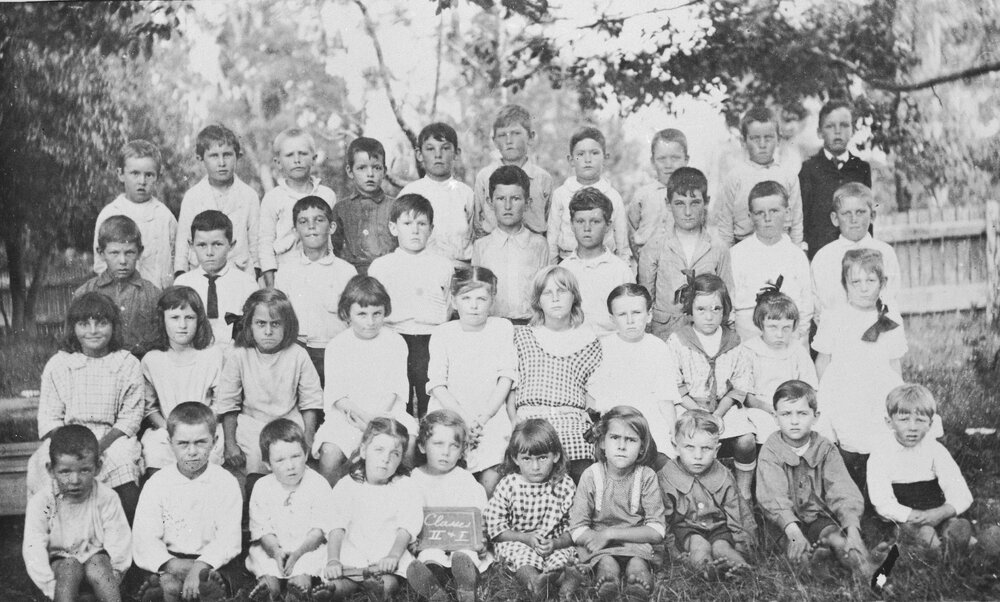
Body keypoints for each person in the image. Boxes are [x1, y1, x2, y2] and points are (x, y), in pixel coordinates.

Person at [26, 293, 143, 522]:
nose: (93, 331)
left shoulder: (127, 363)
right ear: (73, 328)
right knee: (40, 462)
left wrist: (99, 446)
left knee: (122, 463)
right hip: (67, 437)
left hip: (111, 438)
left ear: (113, 326)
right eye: (84, 324)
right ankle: (52, 531)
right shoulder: (60, 364)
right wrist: (72, 446)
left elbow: (130, 417)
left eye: (101, 323)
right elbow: (50, 416)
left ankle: (122, 534)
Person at [666, 274, 775, 499]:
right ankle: (694, 494)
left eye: (716, 309)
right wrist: (699, 412)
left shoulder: (733, 341)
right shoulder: (678, 341)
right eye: (701, 309)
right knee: (689, 440)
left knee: (746, 440)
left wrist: (717, 414)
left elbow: (739, 384)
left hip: (723, 408)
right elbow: (675, 385)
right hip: (689, 406)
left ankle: (744, 492)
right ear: (690, 308)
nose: (709, 316)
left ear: (725, 310)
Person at [814, 248, 913, 492]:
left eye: (871, 280)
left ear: (882, 283)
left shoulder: (890, 317)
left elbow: (894, 363)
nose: (864, 288)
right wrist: (822, 398)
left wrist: (898, 397)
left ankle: (876, 492)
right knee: (846, 443)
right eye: (855, 282)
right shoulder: (834, 316)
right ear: (844, 284)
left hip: (878, 389)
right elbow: (823, 360)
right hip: (843, 389)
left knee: (880, 441)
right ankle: (848, 490)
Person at [756, 380, 873, 577]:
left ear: (815, 417)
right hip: (784, 524)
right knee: (798, 552)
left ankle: (861, 566)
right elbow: (773, 497)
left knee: (837, 538)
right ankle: (817, 565)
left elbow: (843, 490)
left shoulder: (825, 448)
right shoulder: (770, 451)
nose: (794, 421)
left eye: (802, 413)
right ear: (775, 417)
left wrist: (853, 531)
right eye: (786, 414)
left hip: (818, 518)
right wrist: (794, 533)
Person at [216, 289, 323, 491]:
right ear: (249, 325)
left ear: (287, 325)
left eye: (275, 324)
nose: (268, 332)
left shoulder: (298, 354)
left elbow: (311, 400)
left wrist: (308, 437)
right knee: (257, 461)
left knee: (289, 459)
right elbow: (228, 403)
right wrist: (230, 443)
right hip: (252, 423)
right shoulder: (239, 355)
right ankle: (257, 502)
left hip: (288, 421)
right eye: (260, 323)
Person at [133, 402, 241, 602]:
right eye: (183, 443)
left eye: (201, 442)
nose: (192, 451)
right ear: (169, 442)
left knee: (209, 582)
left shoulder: (225, 482)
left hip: (212, 563)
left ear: (215, 441)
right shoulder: (158, 483)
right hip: (170, 560)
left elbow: (229, 538)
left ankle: (209, 590)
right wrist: (171, 564)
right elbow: (145, 537)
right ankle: (166, 590)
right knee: (168, 584)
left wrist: (201, 565)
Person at [314, 275, 415, 487]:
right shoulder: (337, 346)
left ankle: (398, 495)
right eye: (362, 314)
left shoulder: (395, 342)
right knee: (330, 452)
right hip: (349, 418)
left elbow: (395, 389)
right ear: (347, 313)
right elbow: (338, 396)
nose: (370, 322)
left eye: (377, 313)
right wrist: (366, 420)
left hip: (387, 414)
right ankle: (329, 502)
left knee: (409, 442)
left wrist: (375, 421)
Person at [314, 418, 423, 602]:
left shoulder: (405, 486)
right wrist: (333, 559)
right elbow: (336, 525)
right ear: (364, 450)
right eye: (379, 450)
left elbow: (406, 527)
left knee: (389, 582)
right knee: (342, 579)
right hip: (353, 548)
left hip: (387, 553)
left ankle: (378, 589)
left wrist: (393, 555)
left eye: (395, 453)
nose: (386, 459)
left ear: (401, 458)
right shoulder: (348, 484)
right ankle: (334, 591)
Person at [427, 267, 515, 495]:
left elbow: (506, 377)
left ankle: (486, 514)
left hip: (490, 413)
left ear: (492, 300)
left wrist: (484, 417)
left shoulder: (502, 328)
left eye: (481, 299)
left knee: (491, 478)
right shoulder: (443, 333)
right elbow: (437, 384)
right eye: (466, 298)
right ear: (454, 301)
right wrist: (464, 419)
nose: (474, 306)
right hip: (451, 411)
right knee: (449, 472)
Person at [513, 266, 602, 483]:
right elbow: (511, 387)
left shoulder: (590, 341)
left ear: (574, 297)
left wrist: (593, 423)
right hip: (530, 420)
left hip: (572, 421)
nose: (555, 298)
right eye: (547, 293)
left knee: (585, 469)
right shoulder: (522, 336)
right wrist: (513, 422)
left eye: (562, 291)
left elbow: (593, 392)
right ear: (538, 301)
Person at [23, 425, 131, 602]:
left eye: (84, 470)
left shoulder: (107, 497)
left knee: (99, 565)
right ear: (51, 470)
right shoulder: (42, 501)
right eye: (65, 472)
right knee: (70, 567)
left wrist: (115, 574)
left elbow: (119, 542)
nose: (75, 480)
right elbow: (33, 547)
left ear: (98, 467)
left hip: (99, 565)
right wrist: (49, 585)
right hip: (58, 570)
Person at [568, 406, 666, 601]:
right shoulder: (591, 475)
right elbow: (577, 528)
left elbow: (656, 531)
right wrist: (598, 538)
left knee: (637, 563)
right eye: (614, 438)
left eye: (631, 440)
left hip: (636, 542)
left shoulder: (646, 476)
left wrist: (611, 534)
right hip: (599, 544)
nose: (622, 446)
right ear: (602, 442)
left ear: (642, 447)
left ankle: (637, 583)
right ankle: (608, 581)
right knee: (607, 563)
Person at [369, 194, 453, 419]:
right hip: (395, 337)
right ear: (393, 228)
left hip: (431, 340)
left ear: (431, 229)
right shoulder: (381, 266)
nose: (415, 230)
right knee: (397, 399)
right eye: (407, 223)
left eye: (421, 224)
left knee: (431, 398)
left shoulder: (443, 266)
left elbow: (447, 305)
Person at [867, 384, 973, 551]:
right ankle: (939, 548)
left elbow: (960, 491)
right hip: (904, 518)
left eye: (920, 420)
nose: (912, 427)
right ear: (889, 422)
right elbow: (882, 502)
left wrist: (942, 512)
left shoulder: (935, 450)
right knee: (924, 534)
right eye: (904, 420)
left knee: (954, 526)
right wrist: (915, 516)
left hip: (936, 513)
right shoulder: (881, 454)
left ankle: (957, 540)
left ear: (930, 424)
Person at [483, 419, 578, 601]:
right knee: (521, 558)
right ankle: (535, 582)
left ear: (555, 456)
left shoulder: (564, 484)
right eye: (527, 459)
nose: (535, 467)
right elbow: (496, 530)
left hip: (553, 542)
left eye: (542, 458)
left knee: (561, 558)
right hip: (518, 540)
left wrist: (556, 543)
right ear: (515, 458)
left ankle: (565, 581)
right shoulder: (509, 485)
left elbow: (573, 527)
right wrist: (525, 538)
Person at [588, 284, 680, 464]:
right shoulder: (602, 348)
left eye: (637, 312)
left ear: (649, 315)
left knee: (663, 464)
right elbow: (593, 398)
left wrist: (673, 432)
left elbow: (665, 399)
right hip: (615, 424)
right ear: (612, 318)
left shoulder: (658, 348)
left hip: (650, 424)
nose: (630, 320)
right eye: (622, 314)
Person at [638, 167, 733, 342]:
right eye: (680, 203)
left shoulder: (718, 248)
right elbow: (645, 300)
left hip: (705, 336)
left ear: (706, 202)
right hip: (664, 335)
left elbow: (727, 299)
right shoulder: (654, 247)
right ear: (668, 204)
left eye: (695, 203)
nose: (687, 212)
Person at [406, 411, 492, 602]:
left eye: (454, 446)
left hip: (462, 543)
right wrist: (411, 540)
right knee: (429, 556)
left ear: (462, 451)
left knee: (465, 555)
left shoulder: (464, 479)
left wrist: (481, 538)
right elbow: (407, 515)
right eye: (438, 444)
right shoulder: (414, 480)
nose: (445, 452)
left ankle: (467, 584)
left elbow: (478, 516)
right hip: (430, 543)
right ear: (422, 446)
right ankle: (435, 586)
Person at [246, 419, 334, 602]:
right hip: (272, 548)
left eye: (295, 456)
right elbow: (263, 531)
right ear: (268, 464)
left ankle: (298, 591)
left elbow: (318, 532)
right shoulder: (262, 487)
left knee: (303, 572)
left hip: (307, 548)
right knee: (268, 571)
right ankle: (268, 590)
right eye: (280, 460)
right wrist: (276, 552)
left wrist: (298, 553)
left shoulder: (318, 484)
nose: (290, 466)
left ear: (306, 454)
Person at [140, 286, 224, 473]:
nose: (182, 325)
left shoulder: (212, 355)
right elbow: (150, 408)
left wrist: (201, 428)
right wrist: (169, 428)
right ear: (162, 320)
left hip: (206, 428)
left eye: (189, 318)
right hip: (167, 429)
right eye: (174, 318)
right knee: (155, 451)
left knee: (207, 457)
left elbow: (220, 402)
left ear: (199, 320)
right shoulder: (152, 360)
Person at [275, 195, 358, 384]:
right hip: (298, 351)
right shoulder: (287, 271)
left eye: (319, 220)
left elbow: (352, 319)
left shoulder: (346, 271)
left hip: (335, 350)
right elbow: (280, 317)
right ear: (295, 230)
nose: (311, 227)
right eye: (303, 222)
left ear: (332, 227)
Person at [657, 411, 750, 578]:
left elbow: (738, 513)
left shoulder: (723, 475)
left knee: (722, 547)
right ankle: (707, 570)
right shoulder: (667, 477)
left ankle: (740, 568)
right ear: (675, 446)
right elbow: (663, 519)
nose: (698, 456)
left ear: (716, 450)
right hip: (687, 530)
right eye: (689, 447)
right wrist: (674, 552)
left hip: (719, 528)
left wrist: (742, 546)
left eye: (706, 448)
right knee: (699, 546)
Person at [730, 181, 812, 344]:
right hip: (748, 340)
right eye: (759, 213)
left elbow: (806, 308)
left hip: (790, 341)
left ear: (787, 213)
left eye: (774, 211)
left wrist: (795, 342)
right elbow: (729, 308)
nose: (767, 219)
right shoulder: (736, 254)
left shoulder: (796, 256)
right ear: (750, 216)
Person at [174, 124, 260, 278]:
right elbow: (183, 245)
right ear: (201, 158)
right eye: (214, 156)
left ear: (237, 156)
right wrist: (181, 276)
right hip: (201, 275)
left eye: (227, 155)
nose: (221, 163)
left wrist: (256, 277)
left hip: (239, 274)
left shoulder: (249, 196)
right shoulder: (193, 197)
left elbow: (255, 244)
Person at [811, 182, 900, 325]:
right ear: (835, 218)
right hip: (836, 330)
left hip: (876, 329)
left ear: (872, 215)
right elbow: (820, 304)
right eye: (846, 213)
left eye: (860, 212)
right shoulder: (823, 257)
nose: (853, 220)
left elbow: (891, 297)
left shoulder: (885, 252)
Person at [259, 128, 337, 287]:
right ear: (278, 162)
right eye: (289, 155)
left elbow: (333, 239)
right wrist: (272, 286)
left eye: (303, 153)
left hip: (323, 274)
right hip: (286, 276)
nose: (297, 160)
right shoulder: (273, 198)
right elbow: (265, 244)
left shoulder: (327, 195)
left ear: (314, 158)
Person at [93, 139, 177, 288]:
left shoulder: (164, 216)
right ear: (121, 174)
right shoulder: (110, 214)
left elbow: (176, 258)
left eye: (149, 175)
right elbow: (101, 263)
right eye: (135, 173)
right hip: (119, 294)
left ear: (157, 176)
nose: (142, 181)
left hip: (159, 294)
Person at [472, 165, 549, 325]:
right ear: (490, 202)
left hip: (530, 325)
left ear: (527, 203)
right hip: (492, 325)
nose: (507, 206)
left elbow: (545, 291)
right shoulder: (481, 246)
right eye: (501, 199)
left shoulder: (539, 245)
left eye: (515, 198)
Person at [75, 215, 161, 357]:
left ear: (139, 252)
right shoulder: (84, 293)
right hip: (97, 364)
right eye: (114, 253)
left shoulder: (153, 295)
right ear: (101, 253)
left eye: (129, 253)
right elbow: (74, 342)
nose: (122, 260)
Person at [716, 107, 803, 247]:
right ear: (743, 141)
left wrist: (796, 251)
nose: (762, 145)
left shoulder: (788, 177)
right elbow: (725, 226)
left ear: (778, 140)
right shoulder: (735, 177)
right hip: (744, 247)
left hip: (781, 247)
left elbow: (796, 223)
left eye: (768, 138)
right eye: (755, 138)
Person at [174, 210, 259, 350]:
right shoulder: (182, 283)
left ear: (231, 245)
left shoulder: (246, 283)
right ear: (191, 245)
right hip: (194, 354)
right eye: (202, 245)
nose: (209, 252)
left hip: (234, 354)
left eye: (217, 244)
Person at [798, 100, 872, 259]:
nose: (838, 132)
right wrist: (804, 253)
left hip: (855, 252)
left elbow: (867, 212)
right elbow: (803, 215)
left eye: (844, 125)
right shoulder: (809, 169)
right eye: (830, 126)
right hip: (820, 252)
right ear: (819, 132)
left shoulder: (861, 168)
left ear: (853, 130)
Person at [397, 122, 474, 267]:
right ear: (419, 154)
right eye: (430, 149)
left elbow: (476, 236)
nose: (438, 155)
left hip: (460, 270)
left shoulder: (466, 194)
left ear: (456, 153)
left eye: (445, 148)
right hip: (421, 269)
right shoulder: (410, 192)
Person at [559, 187, 635, 336]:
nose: (587, 228)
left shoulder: (620, 271)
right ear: (572, 225)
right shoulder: (563, 270)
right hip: (573, 342)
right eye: (580, 221)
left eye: (595, 221)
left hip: (611, 343)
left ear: (608, 225)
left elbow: (630, 317)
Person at [547, 127, 628, 263]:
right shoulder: (561, 194)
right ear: (571, 160)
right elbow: (552, 237)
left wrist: (624, 267)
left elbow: (622, 242)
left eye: (594, 153)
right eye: (581, 154)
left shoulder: (613, 196)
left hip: (604, 262)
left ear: (605, 158)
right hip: (567, 261)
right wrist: (553, 268)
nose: (588, 159)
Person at [473, 104, 554, 238]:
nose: (509, 141)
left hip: (533, 246)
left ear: (530, 137)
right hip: (494, 245)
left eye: (516, 133)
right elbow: (477, 221)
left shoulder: (542, 178)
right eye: (502, 135)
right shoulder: (484, 177)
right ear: (494, 141)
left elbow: (550, 222)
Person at [741, 290, 818, 411]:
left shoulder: (797, 351)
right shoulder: (749, 351)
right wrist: (770, 409)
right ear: (761, 323)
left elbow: (810, 388)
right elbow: (747, 396)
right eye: (773, 327)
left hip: (793, 406)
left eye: (786, 328)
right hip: (760, 407)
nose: (780, 334)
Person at [331, 136, 396, 275]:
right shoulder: (341, 209)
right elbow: (333, 250)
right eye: (361, 168)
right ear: (350, 171)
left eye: (376, 168)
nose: (370, 174)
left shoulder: (395, 206)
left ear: (384, 171)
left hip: (388, 274)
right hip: (352, 276)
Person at [627, 128, 689, 261]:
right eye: (661, 159)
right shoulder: (643, 195)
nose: (668, 165)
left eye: (675, 158)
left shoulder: (691, 196)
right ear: (653, 161)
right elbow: (632, 227)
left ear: (686, 160)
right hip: (647, 262)